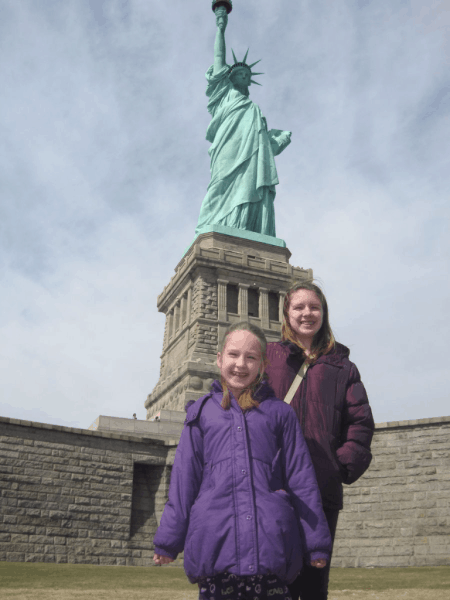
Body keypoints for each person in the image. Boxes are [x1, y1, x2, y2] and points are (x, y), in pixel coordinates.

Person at [153, 321, 332, 600]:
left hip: (270, 547)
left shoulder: (281, 414)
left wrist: (316, 543)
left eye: (250, 357)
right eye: (234, 355)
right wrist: (168, 542)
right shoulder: (200, 414)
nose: (241, 364)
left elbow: (302, 481)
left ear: (262, 365)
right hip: (216, 548)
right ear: (219, 359)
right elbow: (183, 483)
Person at [265, 281, 375, 600]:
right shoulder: (268, 358)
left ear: (323, 313)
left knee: (314, 586)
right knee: (273, 581)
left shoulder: (343, 367)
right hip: (275, 489)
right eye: (298, 307)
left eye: (314, 307)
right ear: (287, 313)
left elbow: (360, 423)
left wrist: (339, 467)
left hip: (321, 490)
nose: (306, 313)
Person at [195, 6, 292, 238]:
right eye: (238, 73)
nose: (243, 76)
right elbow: (219, 57)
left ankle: (245, 230)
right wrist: (221, 26)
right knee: (219, 185)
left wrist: (274, 141)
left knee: (248, 186)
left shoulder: (253, 109)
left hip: (250, 154)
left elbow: (262, 144)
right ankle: (208, 228)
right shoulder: (223, 95)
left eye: (246, 76)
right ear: (229, 77)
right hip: (227, 148)